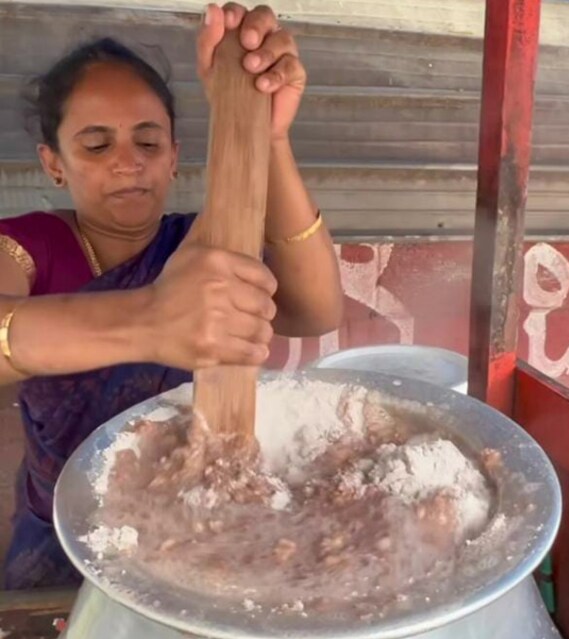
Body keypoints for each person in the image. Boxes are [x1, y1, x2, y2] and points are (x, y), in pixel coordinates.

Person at [1, 3, 344, 589]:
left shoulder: (200, 245)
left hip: (194, 521)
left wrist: (269, 136)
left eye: (147, 141)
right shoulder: (28, 247)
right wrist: (151, 319)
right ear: (53, 164)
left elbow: (314, 310)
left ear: (174, 155)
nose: (129, 161)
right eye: (96, 144)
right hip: (63, 530)